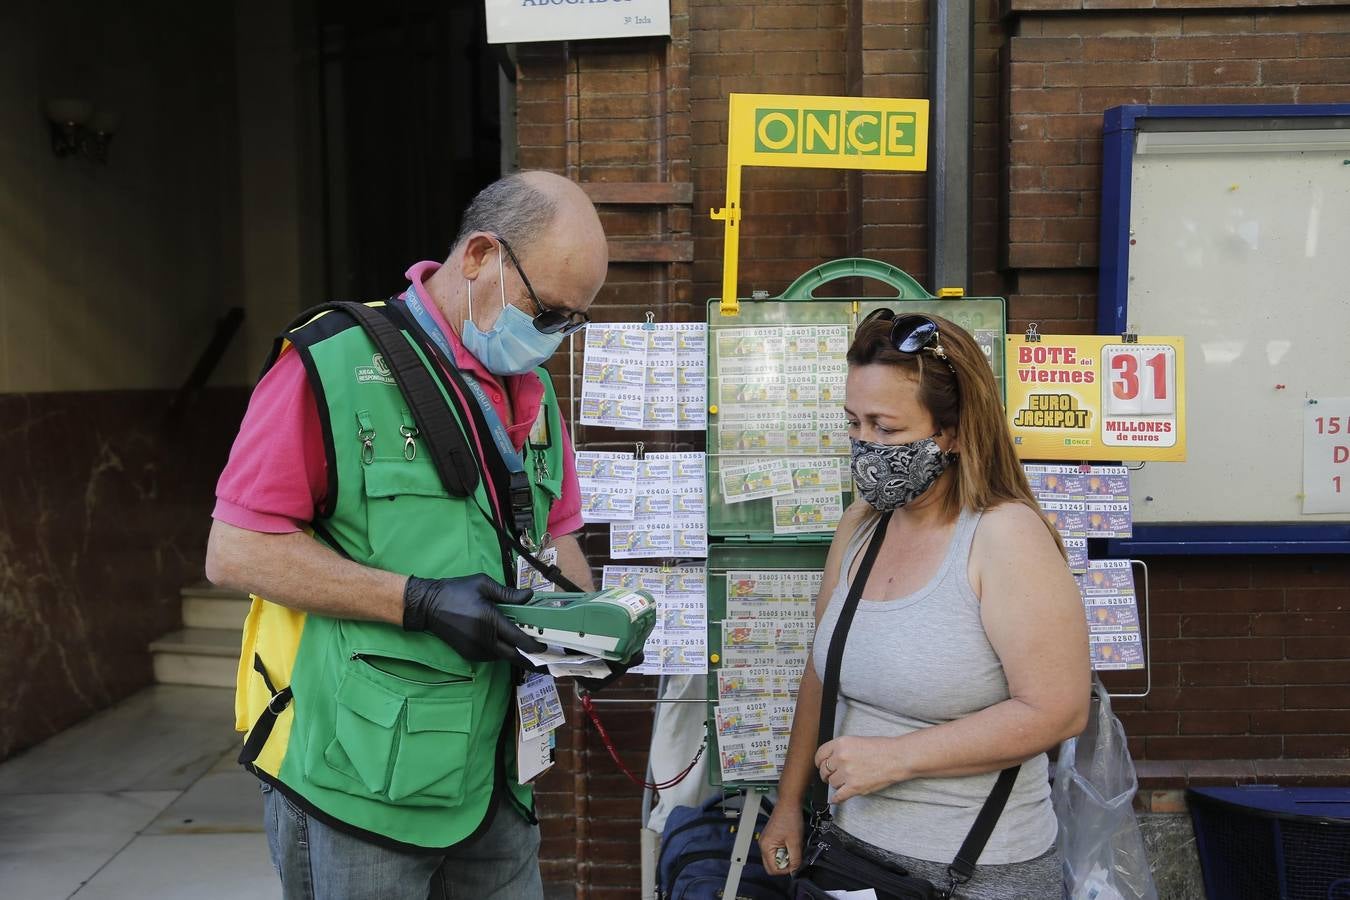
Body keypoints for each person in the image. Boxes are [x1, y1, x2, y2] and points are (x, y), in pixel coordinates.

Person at [205, 171, 609, 900]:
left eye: (571, 322)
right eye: (547, 311)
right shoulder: (330, 363)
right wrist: (419, 601)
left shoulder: (534, 392)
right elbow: (237, 550)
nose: (553, 337)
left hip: (497, 779)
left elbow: (555, 538)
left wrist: (590, 624)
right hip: (357, 783)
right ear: (480, 256)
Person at [759, 311, 1091, 899]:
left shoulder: (1004, 536)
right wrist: (788, 803)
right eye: (853, 423)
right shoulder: (860, 527)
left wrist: (898, 758)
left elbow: (1058, 711)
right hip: (850, 856)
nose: (865, 445)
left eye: (886, 429)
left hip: (975, 872)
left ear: (954, 432)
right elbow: (819, 673)